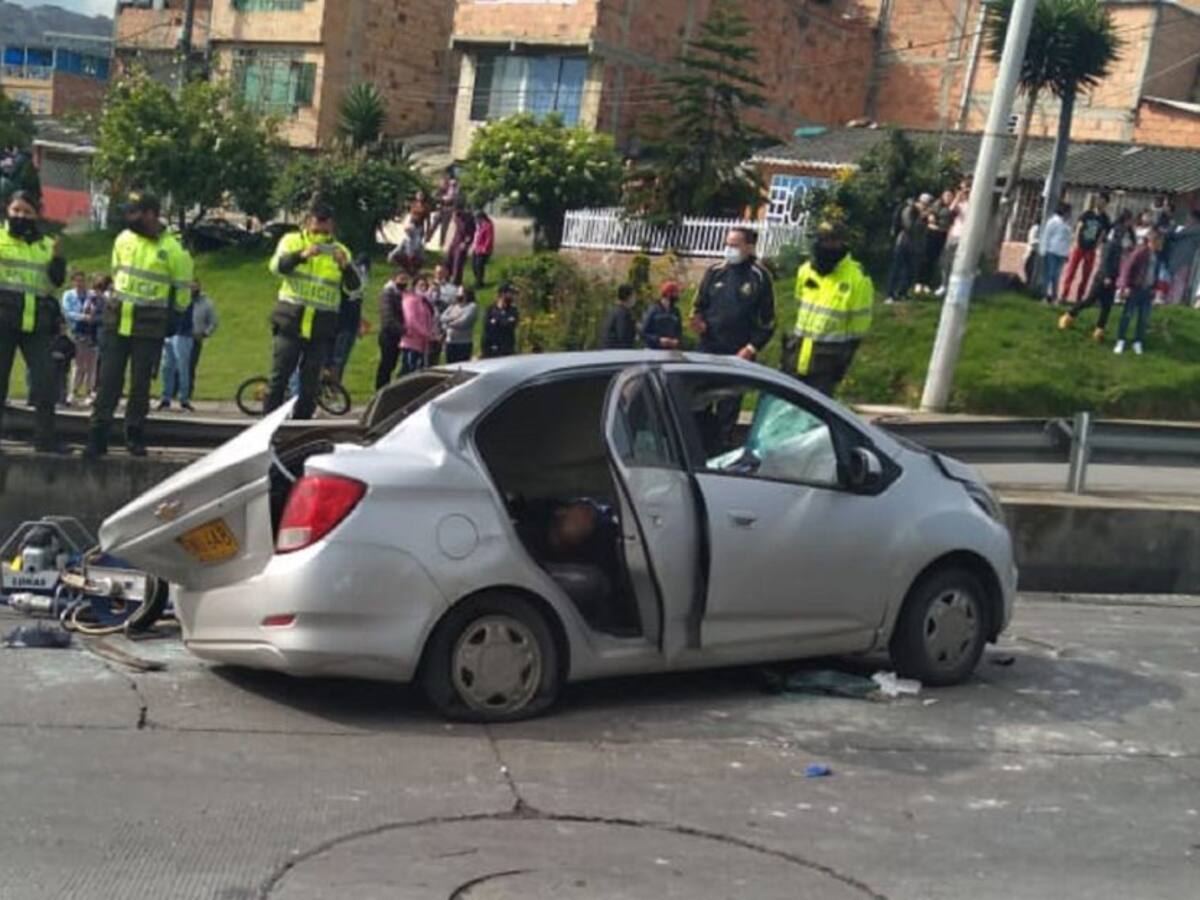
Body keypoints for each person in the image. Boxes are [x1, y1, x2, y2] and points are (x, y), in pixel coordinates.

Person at [88, 192, 193, 457]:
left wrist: (174, 317)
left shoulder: (173, 250)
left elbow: (182, 291)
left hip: (149, 324)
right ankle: (97, 436)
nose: (128, 217)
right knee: (108, 381)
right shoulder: (123, 239)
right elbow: (116, 272)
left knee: (140, 384)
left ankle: (134, 435)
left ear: (150, 214)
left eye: (133, 212)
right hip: (117, 318)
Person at [264, 200, 360, 420]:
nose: (320, 231)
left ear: (332, 225)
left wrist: (345, 267)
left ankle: (300, 429)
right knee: (279, 378)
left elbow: (355, 288)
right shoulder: (291, 241)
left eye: (325, 226)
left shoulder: (341, 251)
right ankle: (267, 427)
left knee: (310, 385)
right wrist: (300, 256)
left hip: (320, 328)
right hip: (290, 321)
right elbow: (276, 268)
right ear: (308, 222)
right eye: (317, 225)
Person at [0, 190, 67, 453]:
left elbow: (52, 284)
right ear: (7, 210)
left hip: (35, 323)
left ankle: (45, 440)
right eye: (16, 210)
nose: (20, 216)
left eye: (26, 212)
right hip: (3, 321)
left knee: (45, 382)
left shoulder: (47, 245)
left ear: (36, 215)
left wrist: (58, 262)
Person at [784, 221, 874, 396]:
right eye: (821, 240)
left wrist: (843, 359)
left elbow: (858, 328)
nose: (823, 246)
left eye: (830, 241)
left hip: (827, 358)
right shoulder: (805, 270)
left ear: (842, 244)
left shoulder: (857, 278)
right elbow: (799, 303)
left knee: (815, 413)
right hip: (797, 353)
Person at [691, 227, 775, 360]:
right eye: (727, 244)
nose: (729, 249)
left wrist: (751, 348)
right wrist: (698, 321)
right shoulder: (715, 272)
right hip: (708, 349)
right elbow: (698, 306)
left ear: (749, 247)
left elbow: (769, 321)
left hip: (739, 353)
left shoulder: (759, 276)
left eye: (734, 246)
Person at [1059, 209, 1132, 341]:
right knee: (1089, 301)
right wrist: (1106, 276)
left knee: (1107, 306)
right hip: (1103, 278)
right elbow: (1105, 262)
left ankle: (1099, 331)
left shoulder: (1120, 243)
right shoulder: (1111, 243)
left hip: (1113, 277)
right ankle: (1069, 315)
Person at [1114, 229, 1162, 356]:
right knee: (1127, 315)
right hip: (1135, 288)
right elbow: (1127, 269)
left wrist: (1154, 288)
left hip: (1147, 290)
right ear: (1150, 241)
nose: (1159, 244)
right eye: (1156, 241)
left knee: (1143, 318)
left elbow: (1155, 273)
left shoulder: (1156, 255)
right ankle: (1120, 340)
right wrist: (1125, 287)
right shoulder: (1140, 252)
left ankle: (1138, 341)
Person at [1060, 192, 1111, 304]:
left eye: (1102, 201)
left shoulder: (1105, 219)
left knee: (1086, 274)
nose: (1099, 202)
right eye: (1098, 200)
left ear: (1106, 203)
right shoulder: (1087, 214)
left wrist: (1096, 246)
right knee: (1071, 271)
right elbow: (1079, 226)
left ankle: (1079, 297)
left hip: (1091, 249)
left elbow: (1103, 234)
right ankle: (1064, 295)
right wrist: (1076, 241)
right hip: (1080, 246)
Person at [330, 253, 368, 380]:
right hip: (340, 324)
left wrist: (360, 323)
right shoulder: (346, 282)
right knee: (336, 359)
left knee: (342, 359)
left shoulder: (360, 288)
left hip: (352, 324)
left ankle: (334, 386)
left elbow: (357, 306)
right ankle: (330, 386)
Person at [158, 287, 196, 412]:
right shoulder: (168, 294)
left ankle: (184, 399)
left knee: (182, 367)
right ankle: (166, 398)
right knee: (166, 367)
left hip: (182, 333)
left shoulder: (184, 295)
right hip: (168, 333)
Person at [885, 194, 928, 303]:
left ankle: (902, 292)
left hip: (916, 245)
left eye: (927, 204)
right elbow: (909, 226)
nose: (925, 206)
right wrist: (921, 218)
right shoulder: (909, 210)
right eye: (924, 204)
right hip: (903, 243)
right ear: (919, 202)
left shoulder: (923, 214)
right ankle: (890, 294)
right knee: (897, 269)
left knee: (911, 271)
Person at [61, 270, 90, 404]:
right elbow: (67, 312)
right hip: (74, 331)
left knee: (87, 365)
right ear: (73, 282)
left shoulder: (89, 295)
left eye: (82, 280)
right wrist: (82, 317)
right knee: (77, 365)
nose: (80, 283)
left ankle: (86, 391)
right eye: (77, 281)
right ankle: (72, 392)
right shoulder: (68, 295)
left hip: (88, 332)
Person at [375, 269, 407, 388]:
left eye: (406, 280)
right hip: (388, 335)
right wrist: (404, 330)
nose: (404, 283)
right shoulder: (388, 294)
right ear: (394, 279)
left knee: (391, 364)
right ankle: (380, 389)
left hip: (397, 335)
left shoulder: (401, 294)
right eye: (402, 279)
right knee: (386, 364)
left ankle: (385, 388)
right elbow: (388, 317)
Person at [937, 183, 970, 296]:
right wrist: (958, 196)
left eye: (966, 191)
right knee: (946, 261)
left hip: (966, 237)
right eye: (962, 190)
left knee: (961, 262)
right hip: (955, 234)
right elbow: (951, 210)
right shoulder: (959, 204)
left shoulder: (973, 204)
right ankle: (944, 285)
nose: (964, 193)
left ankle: (957, 288)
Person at [1163, 209, 1200, 305]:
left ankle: (1174, 303)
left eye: (1189, 217)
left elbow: (1175, 235)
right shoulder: (1189, 228)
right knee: (1173, 282)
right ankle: (1169, 302)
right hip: (1178, 259)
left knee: (1179, 282)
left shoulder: (1195, 229)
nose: (1187, 219)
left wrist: (1172, 226)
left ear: (1194, 218)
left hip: (1184, 260)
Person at [400, 275, 435, 373]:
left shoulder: (423, 302)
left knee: (416, 370)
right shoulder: (410, 300)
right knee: (407, 370)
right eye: (420, 285)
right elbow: (411, 320)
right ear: (414, 286)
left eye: (425, 286)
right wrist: (426, 333)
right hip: (410, 342)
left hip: (421, 343)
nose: (423, 288)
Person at [188, 280, 218, 392]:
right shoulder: (181, 301)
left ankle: (188, 391)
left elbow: (214, 322)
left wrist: (205, 333)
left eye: (195, 288)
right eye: (190, 288)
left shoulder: (207, 303)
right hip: (181, 337)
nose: (193, 290)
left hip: (195, 338)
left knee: (190, 366)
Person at [1040, 202, 1073, 304]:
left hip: (1061, 253)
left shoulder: (1066, 225)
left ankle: (1054, 297)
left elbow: (1068, 241)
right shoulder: (1053, 222)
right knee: (1049, 274)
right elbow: (1046, 236)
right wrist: (1043, 250)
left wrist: (1067, 253)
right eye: (1069, 212)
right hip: (1052, 251)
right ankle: (1045, 296)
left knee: (1056, 276)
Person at [924, 190, 954, 293]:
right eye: (947, 196)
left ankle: (928, 283)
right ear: (943, 196)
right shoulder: (938, 205)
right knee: (928, 258)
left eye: (950, 196)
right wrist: (934, 223)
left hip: (944, 234)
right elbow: (931, 218)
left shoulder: (952, 207)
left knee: (936, 259)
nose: (949, 198)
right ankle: (921, 282)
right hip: (933, 233)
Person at [641, 281, 684, 350]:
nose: (677, 296)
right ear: (668, 293)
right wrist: (658, 340)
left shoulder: (676, 312)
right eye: (675, 293)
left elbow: (679, 332)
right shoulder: (653, 310)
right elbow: (644, 333)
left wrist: (676, 341)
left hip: (670, 352)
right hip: (653, 351)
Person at [440, 285, 478, 363]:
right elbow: (442, 317)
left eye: (460, 292)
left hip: (463, 343)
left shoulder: (471, 307)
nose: (458, 294)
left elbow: (462, 322)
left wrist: (448, 324)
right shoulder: (453, 306)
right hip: (450, 342)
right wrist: (454, 317)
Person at [482, 281, 520, 357]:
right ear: (503, 293)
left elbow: (511, 325)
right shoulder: (491, 309)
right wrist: (504, 321)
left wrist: (497, 321)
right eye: (510, 293)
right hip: (491, 346)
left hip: (507, 347)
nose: (512, 296)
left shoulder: (513, 310)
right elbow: (487, 326)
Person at [601, 283, 637, 349]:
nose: (635, 299)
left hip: (607, 350)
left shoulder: (613, 310)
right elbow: (622, 336)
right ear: (628, 297)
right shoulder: (622, 313)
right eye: (634, 296)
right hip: (616, 353)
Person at [447, 204, 475, 287]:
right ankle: (447, 279)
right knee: (449, 260)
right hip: (455, 241)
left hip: (462, 243)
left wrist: (466, 243)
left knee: (458, 263)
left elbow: (471, 234)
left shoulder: (469, 219)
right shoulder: (456, 218)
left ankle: (456, 283)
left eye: (455, 212)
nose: (454, 215)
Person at [430, 169, 459, 247]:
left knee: (444, 228)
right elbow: (435, 196)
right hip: (440, 208)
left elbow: (455, 200)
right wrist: (442, 199)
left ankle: (441, 244)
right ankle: (427, 239)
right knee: (434, 225)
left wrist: (453, 208)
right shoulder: (442, 188)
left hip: (448, 210)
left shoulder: (455, 189)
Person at [471, 209, 495, 287]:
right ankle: (477, 280)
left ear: (482, 217)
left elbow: (489, 238)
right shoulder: (478, 225)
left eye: (477, 218)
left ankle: (479, 282)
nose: (475, 220)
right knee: (474, 265)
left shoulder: (488, 225)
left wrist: (485, 248)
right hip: (476, 248)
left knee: (479, 266)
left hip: (483, 250)